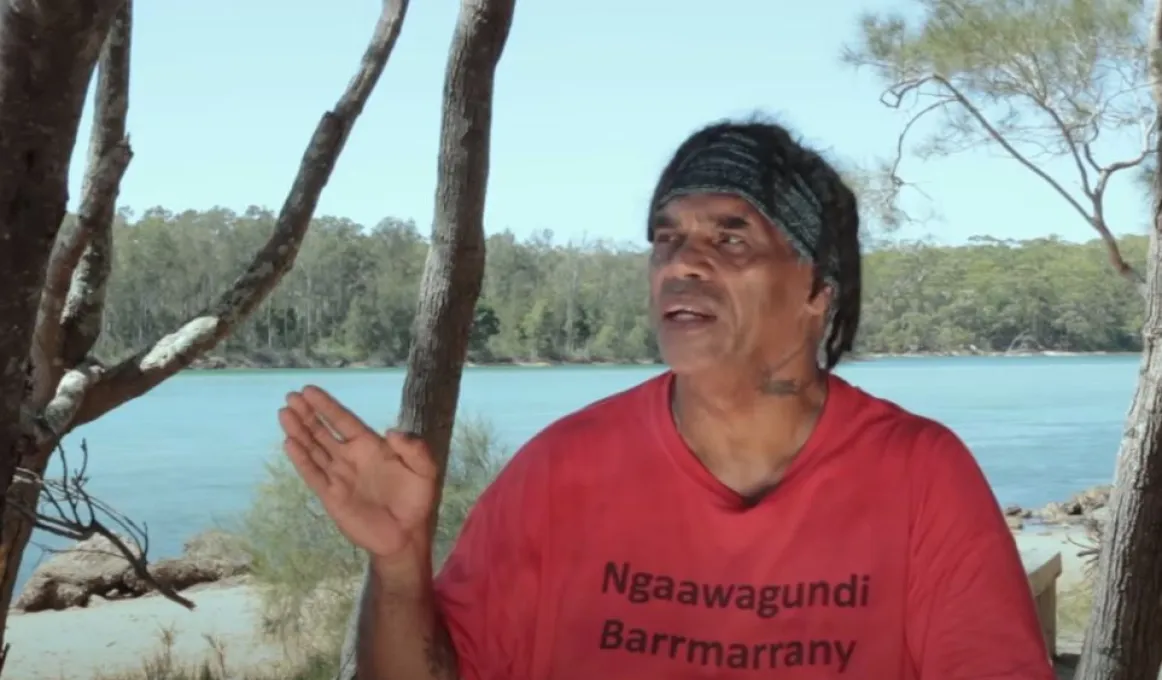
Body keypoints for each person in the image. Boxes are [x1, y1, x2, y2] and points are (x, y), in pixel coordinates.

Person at [277, 118, 1056, 679]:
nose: (683, 262)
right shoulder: (562, 472)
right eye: (666, 238)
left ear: (820, 286)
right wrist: (400, 562)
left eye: (730, 238)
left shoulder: (920, 478)